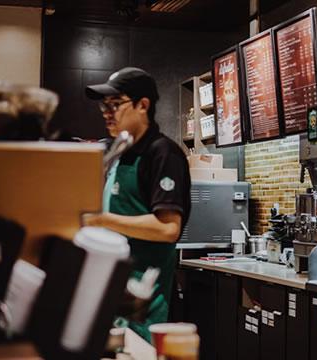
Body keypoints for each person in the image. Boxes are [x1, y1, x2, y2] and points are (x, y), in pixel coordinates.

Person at [81, 67, 191, 341]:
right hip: (113, 282)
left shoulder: (162, 153)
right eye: (104, 105)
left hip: (143, 291)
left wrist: (100, 219)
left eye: (115, 104)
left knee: (137, 349)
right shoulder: (120, 151)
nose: (107, 111)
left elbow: (168, 228)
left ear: (143, 105)